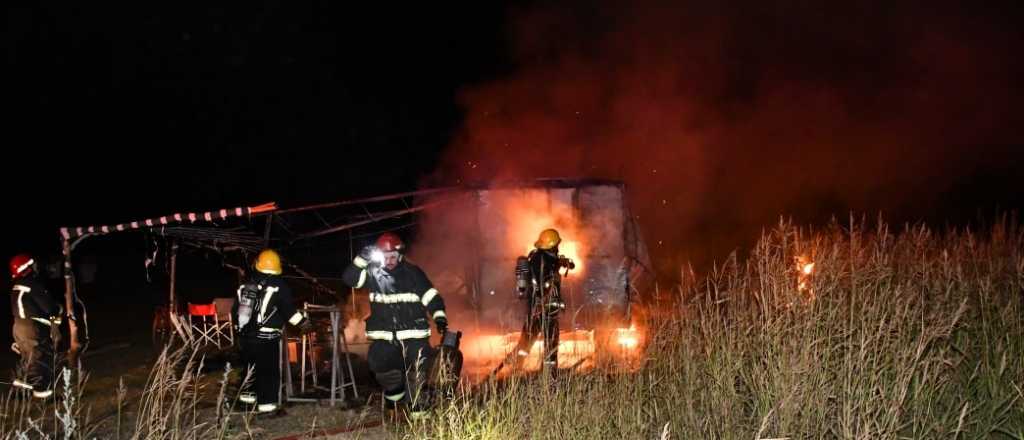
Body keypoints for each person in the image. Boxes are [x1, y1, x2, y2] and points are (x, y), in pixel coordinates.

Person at [342, 232, 448, 419]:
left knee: (417, 374)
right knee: (381, 368)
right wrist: (361, 259)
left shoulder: (413, 273)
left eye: (393, 257)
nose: (389, 261)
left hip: (414, 335)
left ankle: (419, 419)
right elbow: (350, 279)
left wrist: (439, 317)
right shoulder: (372, 273)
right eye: (385, 257)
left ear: (400, 255)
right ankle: (395, 401)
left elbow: (431, 296)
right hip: (384, 337)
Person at [232, 249, 313, 418]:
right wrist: (304, 323)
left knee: (250, 369)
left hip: (246, 338)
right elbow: (289, 312)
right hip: (266, 340)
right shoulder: (279, 286)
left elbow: (235, 312)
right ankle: (267, 408)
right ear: (277, 267)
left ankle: (246, 403)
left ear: (258, 265)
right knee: (268, 373)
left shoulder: (246, 285)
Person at [508, 228, 574, 374]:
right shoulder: (543, 261)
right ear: (552, 246)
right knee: (551, 342)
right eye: (556, 245)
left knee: (527, 339)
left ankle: (515, 367)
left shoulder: (539, 257)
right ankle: (549, 374)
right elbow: (544, 283)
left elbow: (557, 262)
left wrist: (564, 262)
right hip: (544, 309)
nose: (558, 247)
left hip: (535, 308)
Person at [9, 253, 61, 399]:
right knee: (40, 358)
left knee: (28, 359)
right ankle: (43, 394)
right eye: (32, 265)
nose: (36, 266)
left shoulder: (17, 286)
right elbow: (49, 307)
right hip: (32, 328)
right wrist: (58, 310)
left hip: (18, 326)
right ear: (27, 268)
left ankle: (21, 390)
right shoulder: (32, 285)